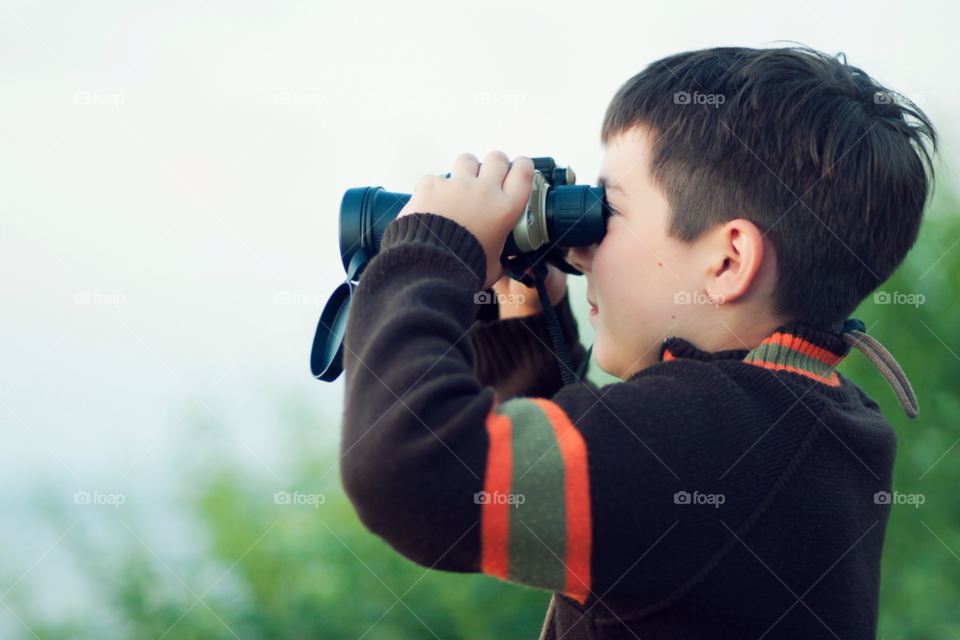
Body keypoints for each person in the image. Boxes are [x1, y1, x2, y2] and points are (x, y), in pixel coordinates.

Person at [338, 45, 937, 639]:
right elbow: (598, 489)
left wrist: (433, 251)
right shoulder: (817, 425)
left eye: (609, 213)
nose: (578, 249)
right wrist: (521, 315)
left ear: (728, 260)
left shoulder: (708, 439)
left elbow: (411, 471)